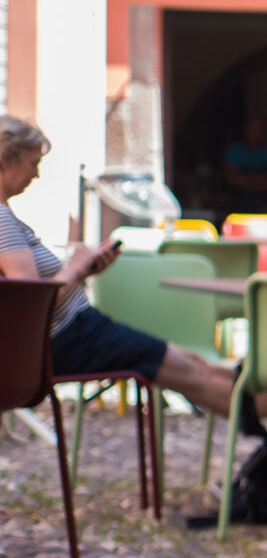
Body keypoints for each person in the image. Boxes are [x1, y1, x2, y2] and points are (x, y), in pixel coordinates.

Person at [0, 115, 247, 427]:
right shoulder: (1, 219)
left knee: (194, 365)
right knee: (192, 372)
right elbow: (27, 307)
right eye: (33, 163)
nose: (36, 174)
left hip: (73, 332)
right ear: (7, 159)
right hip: (68, 336)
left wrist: (83, 270)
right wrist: (75, 269)